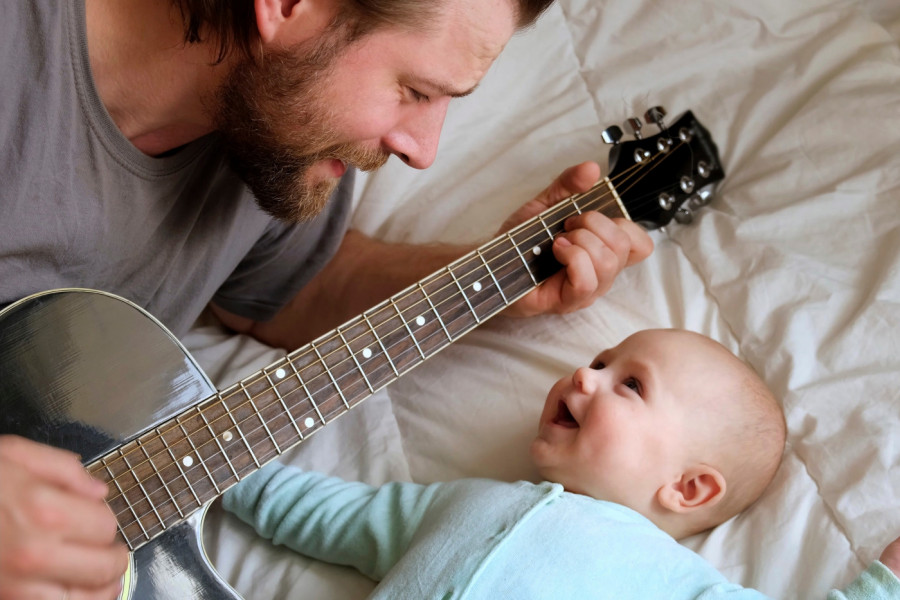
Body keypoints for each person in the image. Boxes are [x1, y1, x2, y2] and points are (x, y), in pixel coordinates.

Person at [0, 0, 655, 598]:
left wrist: (494, 278)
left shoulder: (280, 138)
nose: (422, 150)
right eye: (415, 91)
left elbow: (291, 290)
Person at [222, 329, 900, 599]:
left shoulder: (672, 581)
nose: (585, 373)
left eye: (629, 384)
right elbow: (330, 514)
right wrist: (223, 467)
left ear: (689, 488)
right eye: (601, 361)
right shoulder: (456, 500)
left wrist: (884, 583)